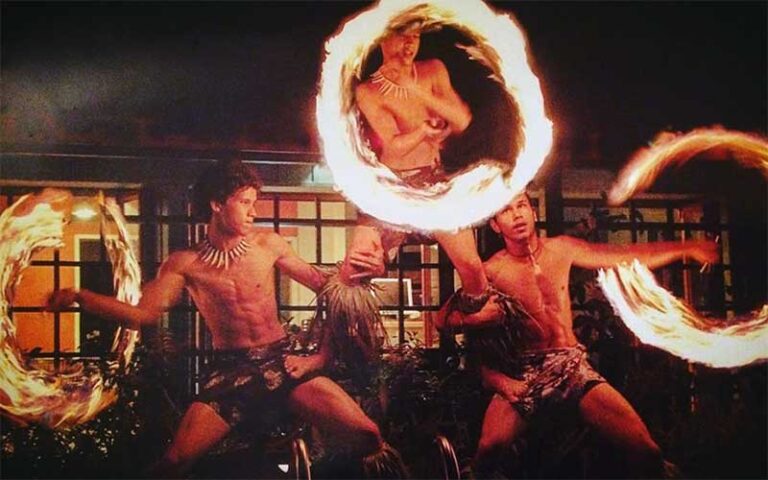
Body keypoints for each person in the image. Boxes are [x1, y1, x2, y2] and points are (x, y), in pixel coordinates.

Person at [47, 160, 405, 478]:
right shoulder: (184, 263)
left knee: (367, 434)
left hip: (281, 364)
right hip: (231, 375)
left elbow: (328, 287)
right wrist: (83, 298)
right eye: (245, 203)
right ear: (217, 204)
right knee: (175, 461)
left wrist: (356, 278)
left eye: (254, 203)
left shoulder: (269, 244)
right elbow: (143, 315)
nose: (253, 212)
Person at [435, 191, 719, 478]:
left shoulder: (562, 249)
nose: (517, 215)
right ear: (496, 225)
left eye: (522, 206)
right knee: (488, 450)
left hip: (572, 367)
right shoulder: (493, 270)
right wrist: (482, 316)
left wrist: (687, 248)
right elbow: (443, 319)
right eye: (506, 211)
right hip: (525, 373)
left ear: (533, 212)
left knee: (646, 450)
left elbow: (622, 255)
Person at [340, 17, 489, 312]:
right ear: (382, 38)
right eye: (401, 36)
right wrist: (424, 130)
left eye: (416, 36)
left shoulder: (433, 70)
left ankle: (471, 336)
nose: (409, 44)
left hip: (433, 180)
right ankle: (337, 349)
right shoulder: (369, 90)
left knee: (472, 268)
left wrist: (416, 89)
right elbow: (393, 143)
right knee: (355, 269)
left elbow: (461, 118)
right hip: (390, 188)